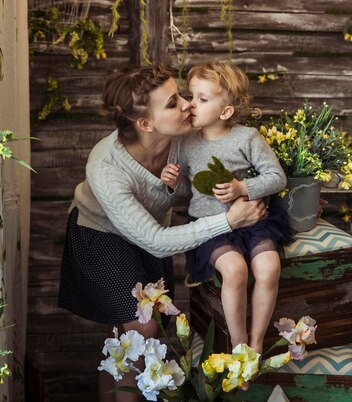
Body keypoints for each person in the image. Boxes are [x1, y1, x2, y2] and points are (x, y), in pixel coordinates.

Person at [58, 64, 267, 402]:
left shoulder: (185, 138)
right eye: (173, 103)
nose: (187, 104)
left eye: (182, 95)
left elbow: (227, 167)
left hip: (152, 233)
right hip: (100, 236)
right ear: (145, 123)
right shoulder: (106, 167)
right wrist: (229, 221)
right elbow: (154, 240)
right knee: (143, 330)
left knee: (124, 334)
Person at [161, 61, 293, 357]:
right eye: (191, 96)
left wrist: (242, 188)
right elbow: (187, 190)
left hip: (253, 222)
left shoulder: (246, 138)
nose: (190, 105)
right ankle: (238, 343)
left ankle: (257, 341)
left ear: (226, 112)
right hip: (211, 228)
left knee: (269, 268)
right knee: (234, 270)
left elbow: (276, 178)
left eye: (201, 99)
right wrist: (172, 182)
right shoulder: (184, 144)